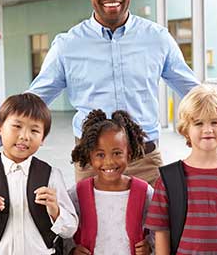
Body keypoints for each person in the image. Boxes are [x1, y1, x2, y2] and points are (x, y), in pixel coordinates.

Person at [0, 0, 200, 185]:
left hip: (144, 161)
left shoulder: (158, 38)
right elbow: (34, 99)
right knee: (92, 222)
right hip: (91, 162)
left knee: (150, 223)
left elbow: (194, 92)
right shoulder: (68, 44)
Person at [0, 93, 78, 254]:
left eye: (34, 130)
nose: (24, 136)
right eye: (17, 126)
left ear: (42, 139)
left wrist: (55, 211)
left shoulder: (51, 175)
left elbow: (70, 229)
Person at [145, 84, 217, 255]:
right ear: (185, 130)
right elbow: (162, 232)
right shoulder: (169, 178)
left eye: (214, 122)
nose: (208, 129)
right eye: (198, 123)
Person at [66, 109, 154, 255]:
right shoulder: (76, 194)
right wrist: (72, 249)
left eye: (117, 153)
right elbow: (66, 230)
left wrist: (149, 246)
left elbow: (159, 228)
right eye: (100, 154)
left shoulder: (145, 192)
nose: (109, 161)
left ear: (129, 154)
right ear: (90, 157)